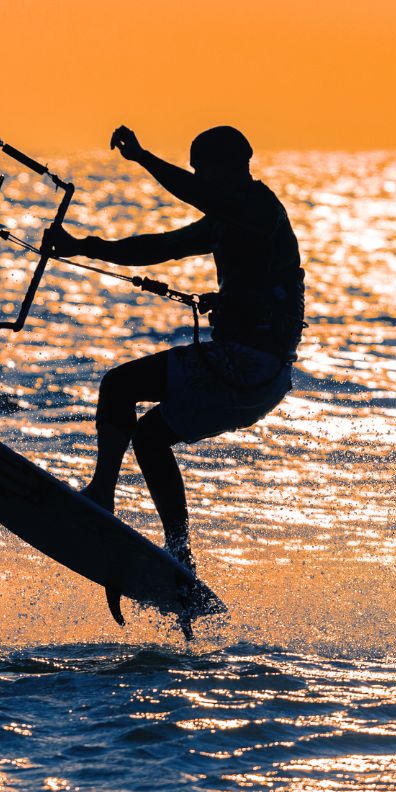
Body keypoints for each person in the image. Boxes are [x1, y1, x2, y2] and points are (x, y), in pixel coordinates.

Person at [45, 124, 305, 580]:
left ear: (230, 166)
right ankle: (180, 554)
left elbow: (195, 194)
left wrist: (143, 157)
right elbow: (159, 247)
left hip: (247, 365)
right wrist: (82, 247)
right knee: (149, 437)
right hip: (258, 376)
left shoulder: (259, 208)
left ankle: (102, 493)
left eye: (203, 171)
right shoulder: (231, 219)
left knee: (120, 384)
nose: (199, 179)